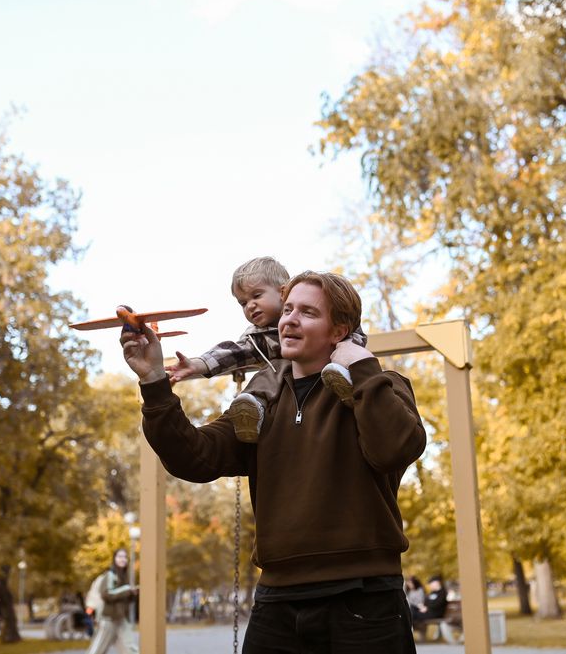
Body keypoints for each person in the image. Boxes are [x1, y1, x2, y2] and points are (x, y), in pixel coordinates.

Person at [121, 270, 427, 653]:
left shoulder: (381, 387)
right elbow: (195, 457)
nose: (289, 319)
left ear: (339, 331)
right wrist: (153, 380)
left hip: (365, 598)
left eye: (308, 312)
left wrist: (362, 367)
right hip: (278, 600)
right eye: (287, 309)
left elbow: (395, 448)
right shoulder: (260, 404)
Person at [163, 257, 367, 442]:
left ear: (283, 292)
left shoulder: (332, 322)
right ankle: (251, 411)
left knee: (344, 350)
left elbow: (353, 333)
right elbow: (233, 352)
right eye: (243, 303)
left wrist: (351, 355)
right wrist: (198, 364)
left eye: (256, 296)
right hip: (285, 393)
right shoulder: (257, 337)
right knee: (272, 369)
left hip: (331, 375)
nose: (250, 306)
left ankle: (347, 384)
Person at [86, 549, 138, 654]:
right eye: (119, 556)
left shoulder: (126, 577)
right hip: (108, 619)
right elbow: (106, 594)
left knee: (130, 649)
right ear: (114, 559)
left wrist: (133, 594)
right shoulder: (109, 575)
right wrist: (127, 590)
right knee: (97, 650)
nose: (122, 559)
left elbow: (126, 598)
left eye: (124, 557)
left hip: (121, 618)